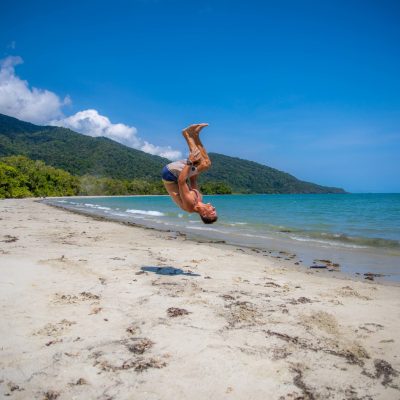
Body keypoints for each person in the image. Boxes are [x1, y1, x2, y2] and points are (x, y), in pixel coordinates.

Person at [161, 123, 218, 224]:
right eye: (215, 210)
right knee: (206, 163)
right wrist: (196, 165)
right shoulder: (199, 198)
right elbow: (193, 179)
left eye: (212, 211)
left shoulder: (190, 205)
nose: (213, 208)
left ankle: (187, 134)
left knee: (204, 163)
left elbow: (181, 181)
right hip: (176, 175)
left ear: (204, 214)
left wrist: (190, 162)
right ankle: (195, 134)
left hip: (170, 175)